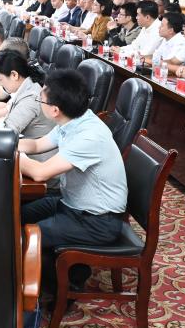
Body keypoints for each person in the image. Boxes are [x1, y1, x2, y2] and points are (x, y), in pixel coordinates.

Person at [17, 69, 127, 289]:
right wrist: (4, 143)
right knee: (16, 216)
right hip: (72, 205)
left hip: (97, 221)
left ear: (55, 110)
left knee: (24, 238)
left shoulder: (88, 136)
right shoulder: (73, 120)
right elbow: (37, 145)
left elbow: (41, 173)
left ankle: (68, 284)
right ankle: (70, 270)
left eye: (41, 100)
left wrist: (13, 154)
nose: (40, 102)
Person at [0, 50, 55, 159]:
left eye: (1, 79)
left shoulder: (31, 98)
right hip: (28, 152)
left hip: (36, 159)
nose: (0, 83)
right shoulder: (27, 87)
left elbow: (6, 134)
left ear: (14, 75)